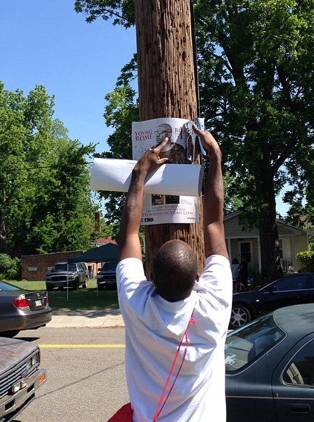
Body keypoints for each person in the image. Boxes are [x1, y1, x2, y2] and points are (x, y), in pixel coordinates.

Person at [116, 125, 233, 421]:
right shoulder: (213, 309)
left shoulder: (137, 305)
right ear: (197, 280)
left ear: (150, 279)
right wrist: (216, 159)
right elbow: (214, 225)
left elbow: (129, 233)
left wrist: (140, 173)